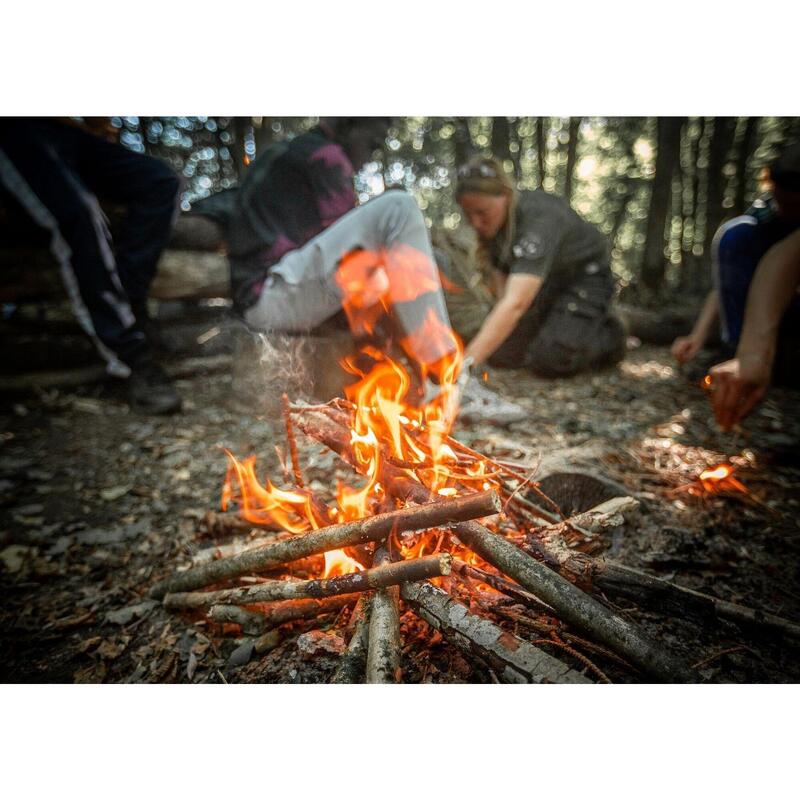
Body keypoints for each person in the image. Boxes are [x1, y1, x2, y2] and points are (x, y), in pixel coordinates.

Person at [196, 118, 527, 425]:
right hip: (270, 296)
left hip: (267, 295)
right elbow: (351, 270)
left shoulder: (289, 154)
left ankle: (440, 378)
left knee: (402, 250)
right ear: (349, 123)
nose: (377, 147)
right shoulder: (325, 157)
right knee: (398, 208)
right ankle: (446, 384)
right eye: (374, 136)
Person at [0, 118, 182, 414]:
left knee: (162, 182)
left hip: (66, 131)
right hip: (14, 131)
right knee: (78, 215)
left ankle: (131, 306)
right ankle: (130, 357)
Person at [453, 157, 626, 377]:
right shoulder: (496, 232)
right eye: (468, 215)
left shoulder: (538, 219)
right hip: (546, 285)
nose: (475, 223)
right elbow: (504, 296)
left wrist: (465, 366)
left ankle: (611, 335)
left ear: (505, 196)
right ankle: (560, 326)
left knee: (551, 359)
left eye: (482, 212)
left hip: (584, 280)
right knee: (501, 354)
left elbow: (516, 303)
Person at [670, 143, 800, 430]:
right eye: (782, 188)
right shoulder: (764, 217)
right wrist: (700, 336)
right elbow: (767, 269)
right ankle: (740, 356)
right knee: (737, 234)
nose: (787, 203)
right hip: (764, 320)